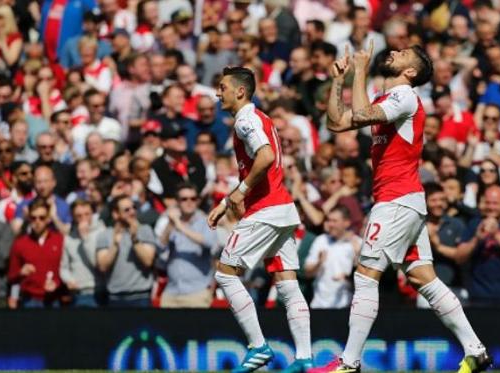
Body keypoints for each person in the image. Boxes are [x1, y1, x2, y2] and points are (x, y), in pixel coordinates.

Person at [313, 42, 490, 373]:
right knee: (424, 277)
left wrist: (361, 69)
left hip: (396, 199)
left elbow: (362, 115)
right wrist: (341, 79)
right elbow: (338, 124)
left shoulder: (405, 96)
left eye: (404, 53)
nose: (394, 51)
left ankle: (349, 363)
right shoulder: (387, 100)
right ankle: (475, 350)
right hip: (403, 200)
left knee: (366, 275)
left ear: (410, 71)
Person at [207, 67, 312, 373]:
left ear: (240, 91)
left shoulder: (245, 120)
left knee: (226, 274)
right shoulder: (261, 117)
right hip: (281, 209)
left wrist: (239, 191)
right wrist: (228, 201)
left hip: (265, 210)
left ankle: (258, 346)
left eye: (223, 87)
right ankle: (304, 358)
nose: (218, 92)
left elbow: (265, 157)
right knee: (287, 284)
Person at [154, 182, 218, 308]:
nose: (189, 202)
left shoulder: (206, 221)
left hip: (197, 292)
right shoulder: (171, 222)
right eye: (184, 199)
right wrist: (171, 224)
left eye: (193, 199)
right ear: (177, 202)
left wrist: (180, 227)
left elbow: (209, 242)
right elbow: (160, 248)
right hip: (171, 292)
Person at [96, 194, 158, 307]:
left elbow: (148, 261)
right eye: (126, 210)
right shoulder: (105, 235)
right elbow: (103, 266)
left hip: (141, 296)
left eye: (134, 207)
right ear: (115, 214)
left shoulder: (145, 230)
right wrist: (115, 245)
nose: (132, 212)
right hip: (115, 298)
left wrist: (135, 240)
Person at [7, 198, 65, 308]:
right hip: (29, 300)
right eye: (33, 218)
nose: (37, 221)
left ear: (48, 219)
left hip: (54, 299)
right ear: (29, 218)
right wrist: (21, 272)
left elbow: (67, 270)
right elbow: (11, 276)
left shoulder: (59, 241)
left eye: (42, 218)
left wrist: (57, 283)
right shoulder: (20, 243)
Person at [304, 206, 360, 309]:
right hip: (319, 306)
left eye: (334, 221)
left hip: (346, 306)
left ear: (346, 222)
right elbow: (307, 273)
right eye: (329, 220)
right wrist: (319, 263)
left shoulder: (356, 243)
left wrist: (357, 255)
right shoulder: (321, 240)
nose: (330, 224)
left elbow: (365, 277)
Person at [60, 199, 106, 307]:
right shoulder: (69, 239)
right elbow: (64, 267)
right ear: (73, 217)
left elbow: (97, 264)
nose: (83, 218)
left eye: (87, 214)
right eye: (79, 216)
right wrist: (69, 280)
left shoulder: (102, 233)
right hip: (79, 292)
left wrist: (86, 239)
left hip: (99, 290)